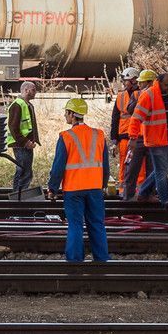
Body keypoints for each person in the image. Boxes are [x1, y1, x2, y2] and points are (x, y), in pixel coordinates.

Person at [47, 97, 111, 262]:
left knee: (75, 225)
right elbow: (105, 165)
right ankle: (102, 259)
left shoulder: (66, 137)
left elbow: (58, 167)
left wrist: (53, 189)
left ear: (71, 114)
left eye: (66, 113)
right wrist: (103, 185)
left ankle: (75, 261)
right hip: (95, 188)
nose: (64, 116)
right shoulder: (99, 134)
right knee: (97, 224)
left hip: (74, 189)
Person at [130, 70, 168, 206]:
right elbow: (136, 118)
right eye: (166, 85)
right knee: (161, 172)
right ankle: (166, 201)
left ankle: (143, 192)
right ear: (158, 82)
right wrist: (133, 137)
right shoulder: (149, 95)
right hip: (157, 141)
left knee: (164, 169)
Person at [121, 71, 156, 200]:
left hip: (152, 138)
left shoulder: (158, 96)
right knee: (132, 168)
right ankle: (128, 196)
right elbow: (130, 110)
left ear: (150, 82)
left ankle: (149, 195)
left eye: (142, 82)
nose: (139, 84)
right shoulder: (137, 94)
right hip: (138, 138)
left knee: (152, 169)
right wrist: (143, 98)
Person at [110, 67, 143, 196]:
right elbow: (115, 118)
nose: (124, 83)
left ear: (134, 80)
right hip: (124, 137)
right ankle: (124, 191)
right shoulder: (121, 96)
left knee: (141, 167)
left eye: (126, 80)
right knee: (124, 164)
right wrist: (114, 139)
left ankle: (139, 191)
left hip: (139, 137)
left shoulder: (143, 94)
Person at [6, 81, 39, 196]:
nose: (35, 92)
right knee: (23, 171)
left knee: (25, 171)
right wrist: (25, 142)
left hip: (25, 144)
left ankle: (20, 195)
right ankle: (18, 197)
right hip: (21, 145)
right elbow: (13, 127)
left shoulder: (26, 104)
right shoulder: (18, 104)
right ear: (26, 90)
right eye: (33, 89)